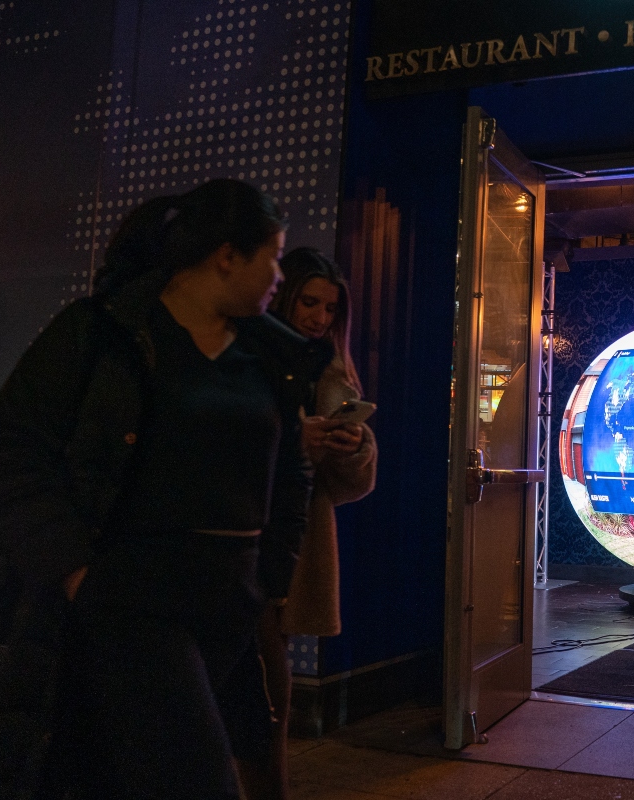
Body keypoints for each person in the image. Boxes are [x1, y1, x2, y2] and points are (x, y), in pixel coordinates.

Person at [0, 179, 330, 798]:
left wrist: (272, 577)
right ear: (227, 255)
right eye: (272, 256)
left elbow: (289, 474)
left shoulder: (271, 356)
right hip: (132, 598)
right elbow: (11, 447)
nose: (280, 275)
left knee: (109, 772)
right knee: (198, 776)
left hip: (227, 605)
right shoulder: (105, 333)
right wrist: (72, 569)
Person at [237, 248, 376, 800]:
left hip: (292, 538)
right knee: (265, 677)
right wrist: (296, 442)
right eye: (309, 301)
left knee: (270, 678)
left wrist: (351, 444)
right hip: (245, 534)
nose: (319, 317)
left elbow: (353, 484)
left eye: (330, 308)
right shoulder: (248, 354)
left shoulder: (331, 368)